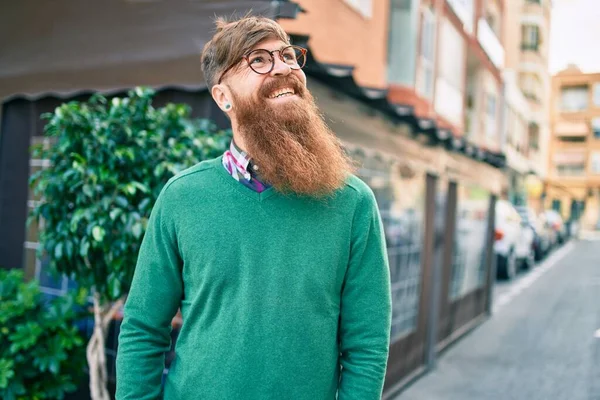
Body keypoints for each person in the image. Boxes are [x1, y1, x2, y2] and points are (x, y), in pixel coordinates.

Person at [116, 15, 391, 400]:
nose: (283, 67)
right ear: (223, 97)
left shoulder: (352, 202)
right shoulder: (182, 197)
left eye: (288, 56)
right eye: (258, 60)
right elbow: (143, 328)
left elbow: (367, 345)